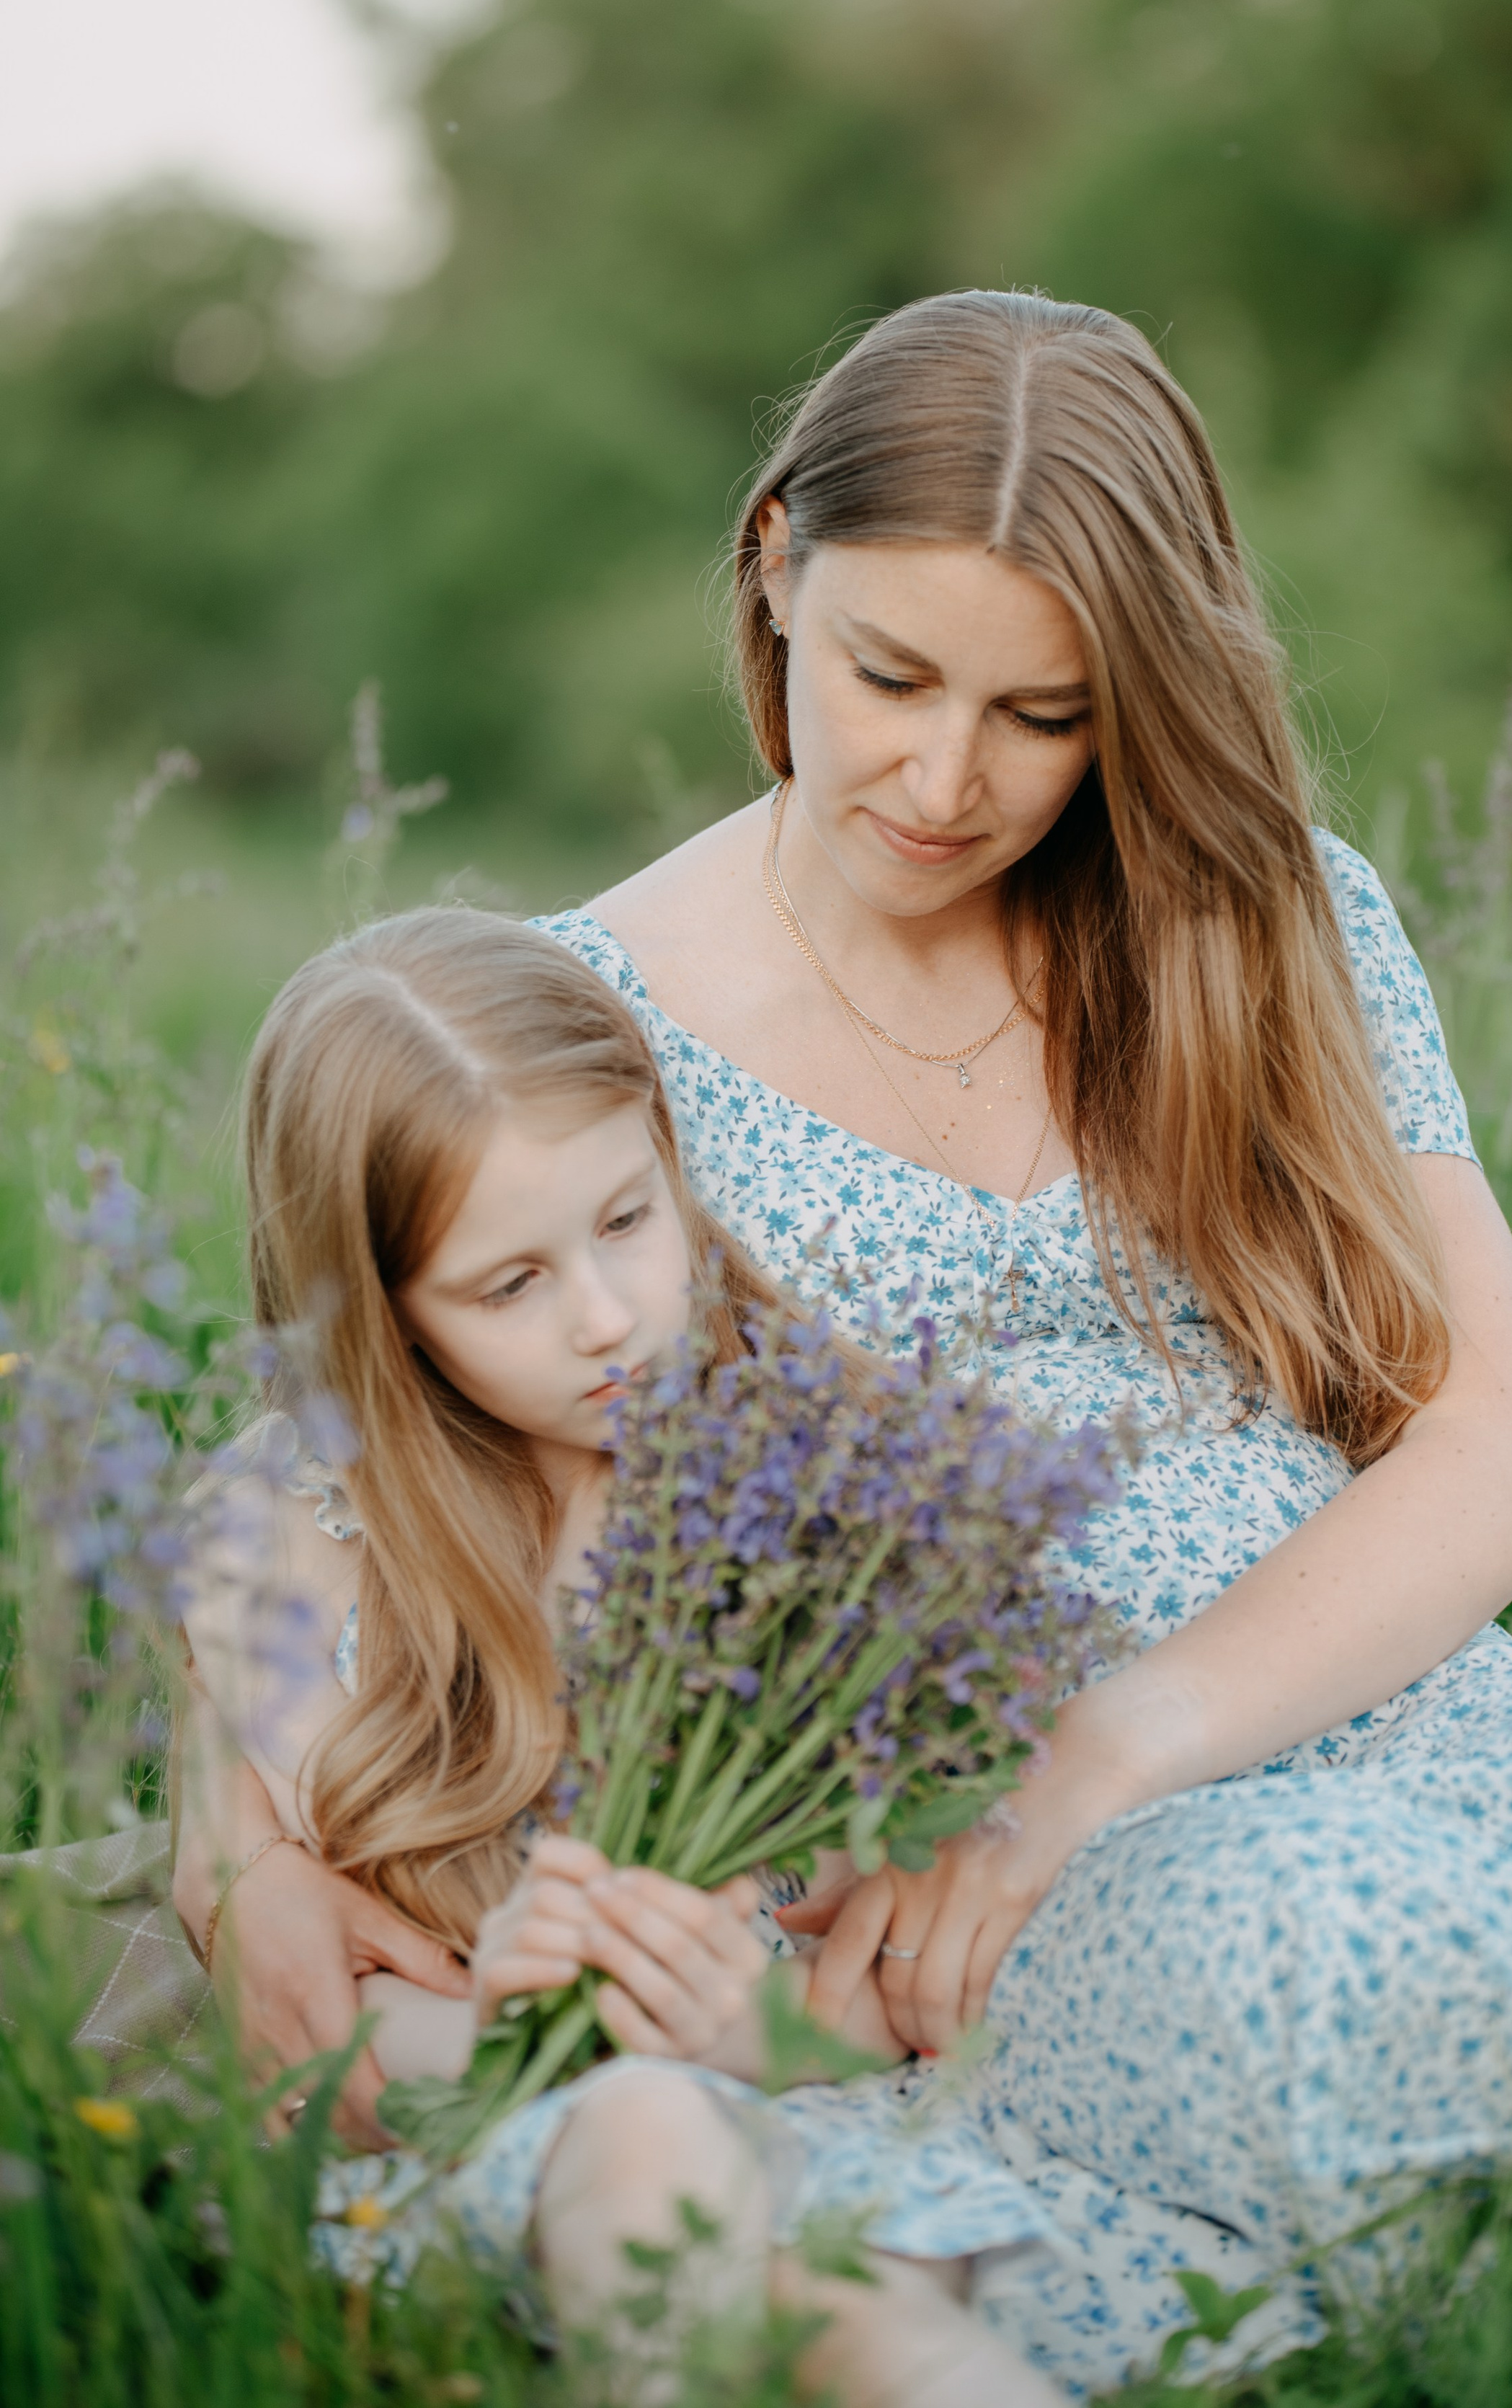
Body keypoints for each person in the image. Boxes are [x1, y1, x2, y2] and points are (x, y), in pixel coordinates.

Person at [182, 292, 1512, 2393]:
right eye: (889, 675)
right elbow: (344, 1425)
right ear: (776, 562)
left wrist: (1112, 1747)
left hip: (1410, 1713)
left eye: (1047, 713)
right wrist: (231, 1822)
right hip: (973, 1878)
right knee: (1386, 1972)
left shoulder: (1256, 915)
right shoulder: (575, 1028)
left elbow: (1493, 1455)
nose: (948, 778)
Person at [177, 905, 1069, 2408]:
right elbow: (326, 2031)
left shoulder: (811, 1480)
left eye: (626, 1220)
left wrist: (745, 2029)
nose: (607, 1321)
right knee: (668, 2179)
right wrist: (534, 2024)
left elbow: (901, 1962)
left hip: (822, 2103)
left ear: (671, 1161)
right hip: (499, 2139)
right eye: (507, 1283)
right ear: (381, 1318)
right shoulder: (286, 1538)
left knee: (856, 2307)